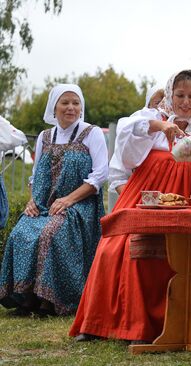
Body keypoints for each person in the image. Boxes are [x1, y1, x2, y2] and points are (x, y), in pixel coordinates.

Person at [70, 69, 191, 343]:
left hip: (183, 199)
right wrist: (161, 126)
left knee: (160, 253)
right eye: (180, 95)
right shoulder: (153, 120)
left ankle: (152, 327)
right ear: (169, 96)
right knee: (113, 248)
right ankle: (96, 324)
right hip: (145, 196)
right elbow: (126, 132)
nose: (186, 102)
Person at [0, 84, 108, 315]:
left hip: (80, 205)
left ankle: (52, 300)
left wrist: (69, 200)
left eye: (75, 103)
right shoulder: (45, 137)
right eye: (65, 102)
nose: (71, 107)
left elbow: (99, 176)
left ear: (81, 107)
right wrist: (32, 201)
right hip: (46, 204)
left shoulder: (92, 133)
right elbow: (36, 173)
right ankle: (26, 297)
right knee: (21, 232)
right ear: (54, 107)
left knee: (51, 233)